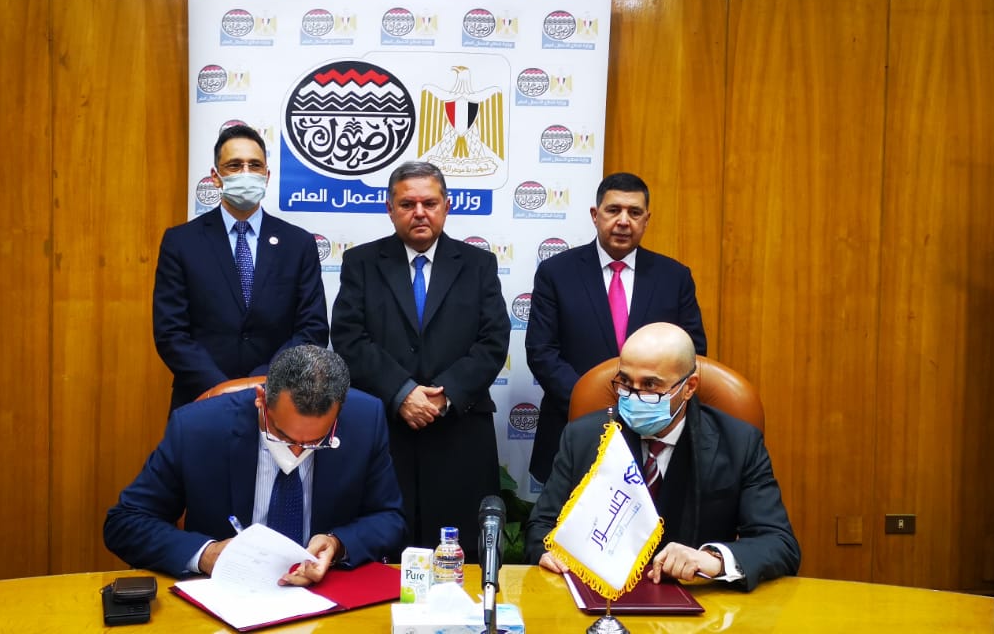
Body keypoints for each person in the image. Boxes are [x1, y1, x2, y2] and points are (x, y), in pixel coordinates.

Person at [526, 323, 799, 591]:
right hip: (600, 598)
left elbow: (779, 542)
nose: (634, 397)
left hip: (698, 600)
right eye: (625, 382)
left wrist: (712, 560)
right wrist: (547, 553)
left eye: (650, 385)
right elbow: (542, 527)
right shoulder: (583, 437)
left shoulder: (738, 442)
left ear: (689, 387)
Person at [104, 345, 405, 584]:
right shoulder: (198, 428)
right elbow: (125, 523)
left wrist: (337, 544)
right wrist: (206, 554)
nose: (297, 451)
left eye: (316, 441)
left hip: (323, 599)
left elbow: (389, 518)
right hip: (226, 598)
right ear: (261, 399)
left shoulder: (365, 421)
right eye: (283, 435)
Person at [331, 161, 509, 556]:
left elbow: (493, 341)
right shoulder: (361, 263)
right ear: (389, 208)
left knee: (459, 553)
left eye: (429, 203)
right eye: (407, 204)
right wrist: (401, 393)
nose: (419, 212)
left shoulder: (478, 265)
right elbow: (348, 339)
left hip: (459, 429)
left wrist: (444, 397)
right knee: (386, 549)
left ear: (447, 206)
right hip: (385, 430)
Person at [526, 172, 707, 484]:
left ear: (646, 220)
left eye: (634, 212)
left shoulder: (674, 277)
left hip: (653, 431)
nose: (624, 221)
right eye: (614, 210)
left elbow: (693, 352)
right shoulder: (556, 272)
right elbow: (542, 352)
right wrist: (595, 401)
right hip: (573, 427)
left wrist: (641, 403)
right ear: (595, 215)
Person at [153, 124, 328, 410]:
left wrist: (265, 382)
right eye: (234, 165)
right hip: (202, 398)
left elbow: (312, 329)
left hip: (278, 401)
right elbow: (171, 332)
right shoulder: (181, 242)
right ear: (216, 177)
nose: (246, 173)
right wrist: (221, 388)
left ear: (267, 176)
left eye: (255, 165)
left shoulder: (298, 244)